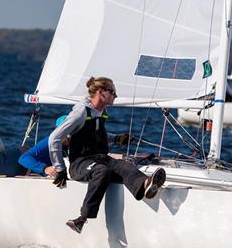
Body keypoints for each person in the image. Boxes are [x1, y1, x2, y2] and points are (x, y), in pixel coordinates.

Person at [48, 76, 166, 234]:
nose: (115, 96)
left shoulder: (100, 112)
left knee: (124, 165)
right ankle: (81, 219)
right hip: (80, 164)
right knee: (101, 171)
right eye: (112, 92)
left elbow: (95, 133)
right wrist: (60, 169)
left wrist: (116, 138)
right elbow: (54, 139)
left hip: (100, 159)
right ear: (100, 92)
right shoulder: (81, 112)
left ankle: (145, 184)